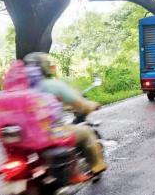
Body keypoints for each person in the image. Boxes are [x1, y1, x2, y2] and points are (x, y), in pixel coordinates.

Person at [23, 52, 107, 180]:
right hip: (50, 133)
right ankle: (97, 167)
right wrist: (91, 105)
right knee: (86, 132)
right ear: (45, 67)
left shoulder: (21, 88)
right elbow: (81, 105)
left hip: (26, 137)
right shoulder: (52, 85)